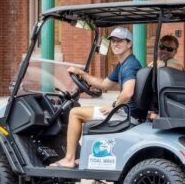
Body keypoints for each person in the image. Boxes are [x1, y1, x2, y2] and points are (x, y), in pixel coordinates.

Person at [51, 27, 141, 168]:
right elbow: (104, 84)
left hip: (126, 114)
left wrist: (113, 106)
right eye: (113, 41)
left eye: (120, 41)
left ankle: (69, 159)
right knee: (82, 114)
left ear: (129, 44)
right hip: (125, 111)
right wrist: (82, 74)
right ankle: (84, 156)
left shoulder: (129, 65)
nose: (115, 44)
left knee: (75, 113)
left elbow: (128, 92)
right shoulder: (123, 64)